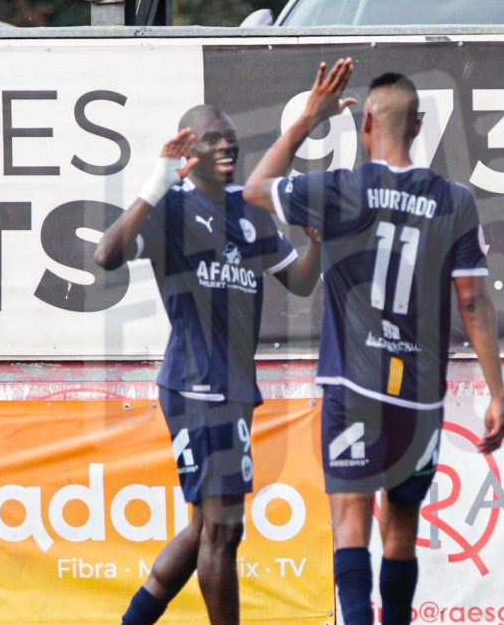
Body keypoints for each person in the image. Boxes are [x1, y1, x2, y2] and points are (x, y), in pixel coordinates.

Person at [242, 62, 504, 625]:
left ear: (366, 124)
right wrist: (497, 393)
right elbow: (473, 303)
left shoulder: (341, 189)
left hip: (353, 386)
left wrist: (305, 122)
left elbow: (256, 191)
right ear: (418, 126)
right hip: (418, 396)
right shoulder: (454, 200)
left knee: (351, 527)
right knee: (402, 532)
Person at [94, 105, 321, 625]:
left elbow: (301, 283)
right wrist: (156, 182)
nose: (227, 146)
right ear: (189, 153)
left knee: (206, 529)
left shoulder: (250, 211)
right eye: (214, 139)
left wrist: (318, 244)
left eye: (232, 138)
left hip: (235, 388)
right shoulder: (171, 209)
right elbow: (107, 255)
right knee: (223, 530)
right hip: (197, 387)